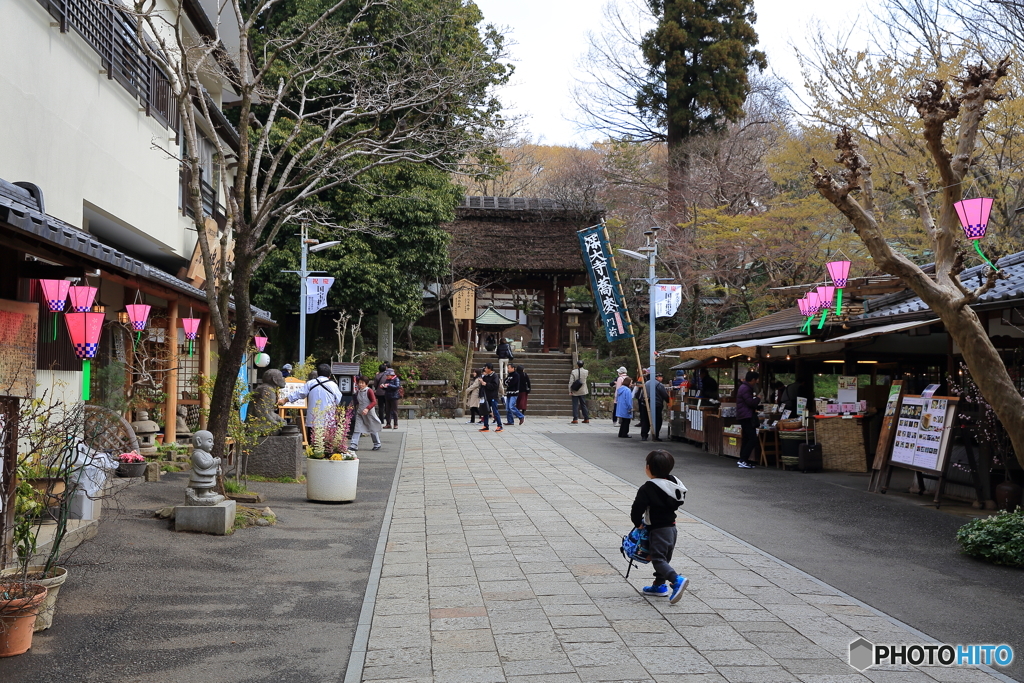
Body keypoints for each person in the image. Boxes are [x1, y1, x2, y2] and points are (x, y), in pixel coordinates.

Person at [630, 449, 689, 603]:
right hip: (672, 528)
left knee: (658, 559)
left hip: (657, 529)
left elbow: (637, 508)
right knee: (664, 558)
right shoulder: (675, 483)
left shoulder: (648, 487)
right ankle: (659, 585)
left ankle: (677, 580)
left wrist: (637, 523)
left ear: (648, 468)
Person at [280, 363, 343, 440]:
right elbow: (338, 400)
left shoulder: (310, 383)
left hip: (313, 421)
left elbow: (298, 393)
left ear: (318, 373)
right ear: (329, 375)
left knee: (313, 444)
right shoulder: (333, 385)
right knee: (327, 445)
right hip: (328, 420)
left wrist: (284, 400)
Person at [349, 376, 382, 451]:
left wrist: (367, 408)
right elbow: (357, 402)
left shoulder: (369, 391)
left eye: (362, 383)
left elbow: (374, 402)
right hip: (360, 412)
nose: (360, 384)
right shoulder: (358, 392)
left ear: (366, 384)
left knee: (372, 427)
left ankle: (377, 443)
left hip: (369, 412)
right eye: (359, 383)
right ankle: (354, 445)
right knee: (357, 428)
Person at [736, 371, 761, 469]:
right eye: (756, 380)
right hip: (746, 416)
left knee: (746, 438)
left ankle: (743, 460)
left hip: (744, 415)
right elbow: (750, 403)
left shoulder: (743, 387)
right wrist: (758, 398)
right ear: (753, 380)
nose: (757, 382)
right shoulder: (746, 388)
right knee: (752, 438)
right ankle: (743, 459)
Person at [638, 371, 669, 442]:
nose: (661, 378)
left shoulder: (646, 383)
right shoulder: (659, 385)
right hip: (656, 404)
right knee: (657, 420)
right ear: (657, 377)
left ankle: (644, 435)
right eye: (660, 377)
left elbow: (642, 394)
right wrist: (668, 401)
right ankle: (655, 435)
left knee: (645, 420)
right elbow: (664, 395)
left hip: (645, 403)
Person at [478, 363, 503, 432]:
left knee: (495, 411)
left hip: (493, 396)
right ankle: (486, 426)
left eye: (486, 368)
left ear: (489, 369)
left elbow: (495, 386)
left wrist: (486, 384)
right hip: (486, 396)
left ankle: (499, 425)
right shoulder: (486, 376)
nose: (485, 369)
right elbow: (483, 386)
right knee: (486, 411)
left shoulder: (495, 376)